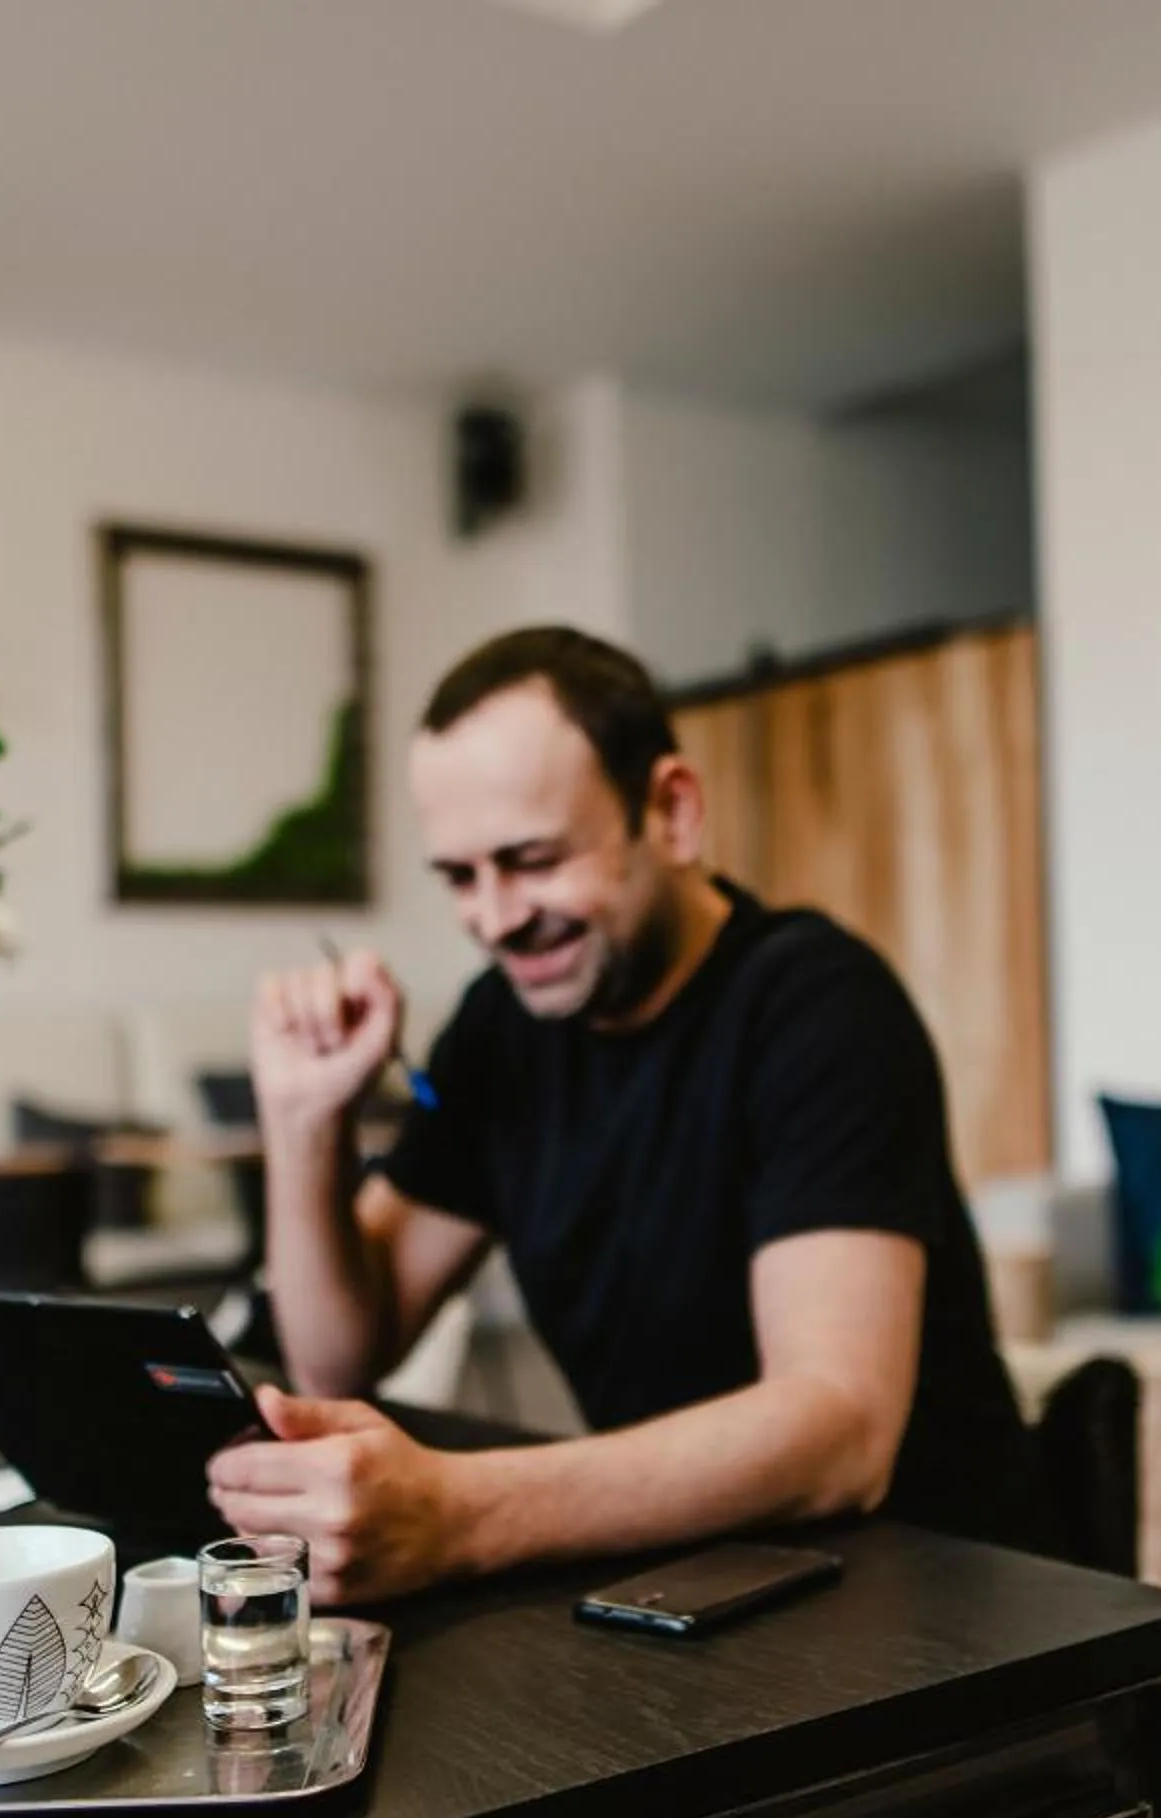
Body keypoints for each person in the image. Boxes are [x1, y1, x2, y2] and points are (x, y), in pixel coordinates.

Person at [205, 625, 1047, 1603]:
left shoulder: (820, 1006)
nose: (495, 917)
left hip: (931, 1598)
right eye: (460, 876)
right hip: (701, 1574)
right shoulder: (504, 1025)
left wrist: (460, 1510)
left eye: (531, 858)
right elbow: (337, 1355)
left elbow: (839, 1433)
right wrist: (304, 1122)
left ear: (673, 811)